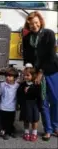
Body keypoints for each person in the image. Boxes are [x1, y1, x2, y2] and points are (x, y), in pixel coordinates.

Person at [22, 11, 58, 141]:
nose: (34, 26)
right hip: (36, 73)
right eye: (31, 24)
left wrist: (41, 73)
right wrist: (28, 70)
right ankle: (48, 130)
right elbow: (26, 57)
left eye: (36, 23)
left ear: (40, 22)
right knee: (43, 103)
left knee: (55, 101)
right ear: (28, 25)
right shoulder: (26, 38)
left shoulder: (49, 34)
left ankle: (56, 127)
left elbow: (51, 55)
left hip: (51, 70)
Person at [17, 67, 42, 142]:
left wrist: (30, 89)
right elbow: (19, 94)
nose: (25, 77)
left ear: (33, 76)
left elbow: (39, 95)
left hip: (34, 104)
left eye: (27, 75)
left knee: (35, 120)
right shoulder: (22, 84)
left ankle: (34, 133)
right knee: (26, 119)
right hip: (25, 104)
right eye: (24, 75)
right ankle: (26, 132)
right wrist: (19, 103)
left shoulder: (36, 84)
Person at [0, 67, 19, 140]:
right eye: (6, 76)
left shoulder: (17, 86)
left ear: (15, 78)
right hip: (3, 106)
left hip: (12, 107)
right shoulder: (2, 85)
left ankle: (11, 131)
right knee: (4, 121)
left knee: (11, 120)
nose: (7, 78)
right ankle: (5, 132)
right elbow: (0, 94)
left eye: (10, 76)